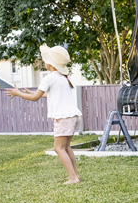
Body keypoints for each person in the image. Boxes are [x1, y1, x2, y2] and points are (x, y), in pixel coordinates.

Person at [5, 44, 82, 184]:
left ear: (50, 63)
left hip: (63, 118)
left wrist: (18, 93)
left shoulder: (49, 77)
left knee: (58, 148)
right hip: (73, 116)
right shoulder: (63, 77)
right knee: (66, 147)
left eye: (45, 60)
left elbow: (35, 98)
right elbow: (50, 95)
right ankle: (75, 175)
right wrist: (30, 93)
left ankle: (73, 178)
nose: (43, 61)